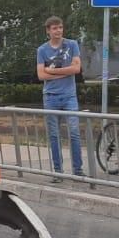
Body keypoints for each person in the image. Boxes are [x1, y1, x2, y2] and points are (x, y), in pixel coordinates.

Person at [36, 16, 83, 176]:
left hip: (69, 96)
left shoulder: (72, 45)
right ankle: (58, 170)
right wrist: (64, 72)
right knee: (54, 135)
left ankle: (78, 169)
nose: (58, 31)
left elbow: (76, 69)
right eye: (55, 28)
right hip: (51, 97)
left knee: (74, 132)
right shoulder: (42, 50)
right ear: (48, 31)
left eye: (60, 27)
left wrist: (52, 71)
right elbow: (41, 75)